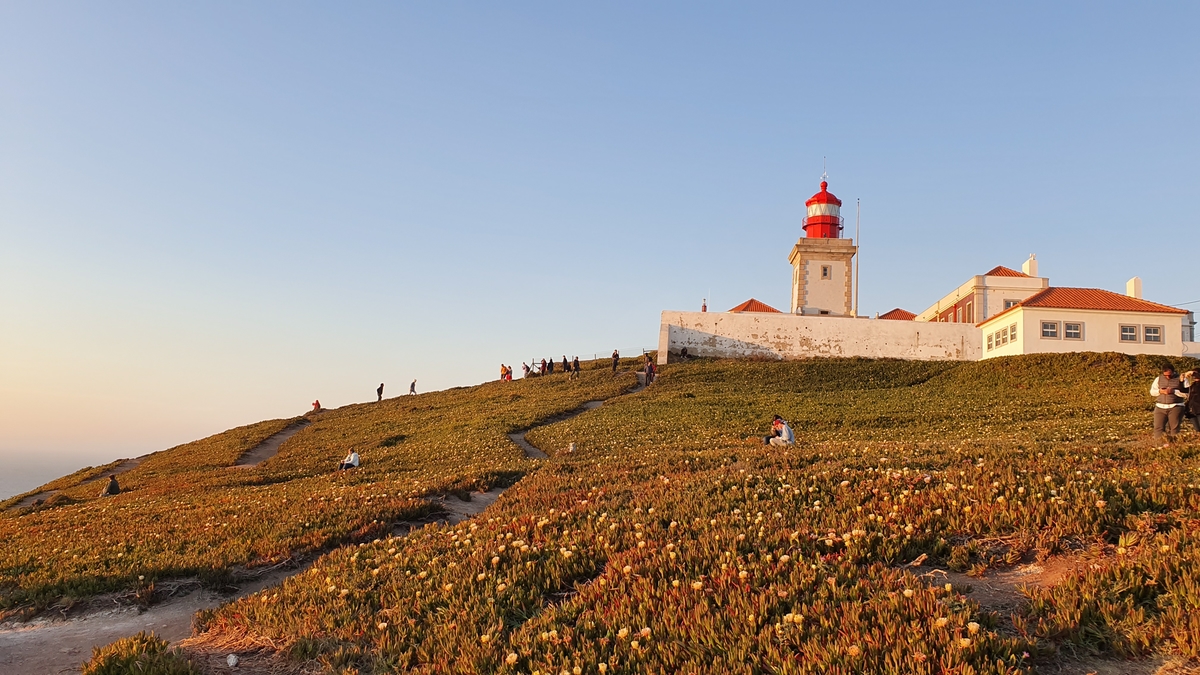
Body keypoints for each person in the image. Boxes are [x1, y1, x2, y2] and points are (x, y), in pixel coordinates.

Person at [1150, 366, 1186, 445]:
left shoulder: (1181, 379)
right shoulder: (1158, 379)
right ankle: (1159, 445)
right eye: (1165, 375)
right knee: (1158, 428)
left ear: (1173, 372)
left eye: (1169, 375)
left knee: (1174, 429)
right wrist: (1160, 391)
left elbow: (1187, 394)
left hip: (1176, 406)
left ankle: (1174, 446)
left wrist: (1174, 391)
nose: (1167, 377)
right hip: (1160, 406)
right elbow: (1152, 392)